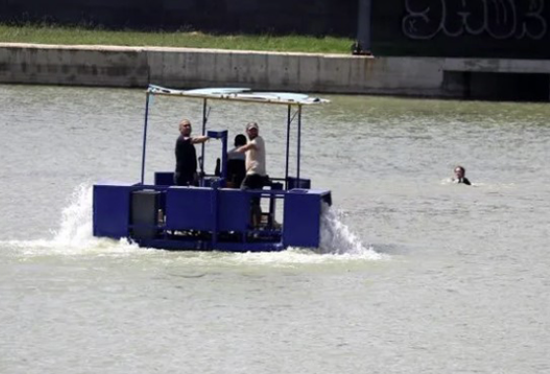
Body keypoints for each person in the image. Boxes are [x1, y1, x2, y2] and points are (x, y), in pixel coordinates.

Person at [236, 122, 267, 227]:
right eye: (251, 130)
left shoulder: (258, 140)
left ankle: (245, 224)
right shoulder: (252, 141)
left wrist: (240, 149)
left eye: (255, 129)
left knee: (241, 193)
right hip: (255, 174)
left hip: (254, 174)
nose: (253, 131)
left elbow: (251, 145)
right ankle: (252, 224)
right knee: (254, 202)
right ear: (247, 131)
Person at [174, 119, 209, 186]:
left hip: (191, 174)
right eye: (185, 126)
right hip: (182, 175)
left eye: (189, 126)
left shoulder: (188, 139)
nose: (188, 127)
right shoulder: (181, 139)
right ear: (180, 129)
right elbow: (196, 139)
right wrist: (207, 137)